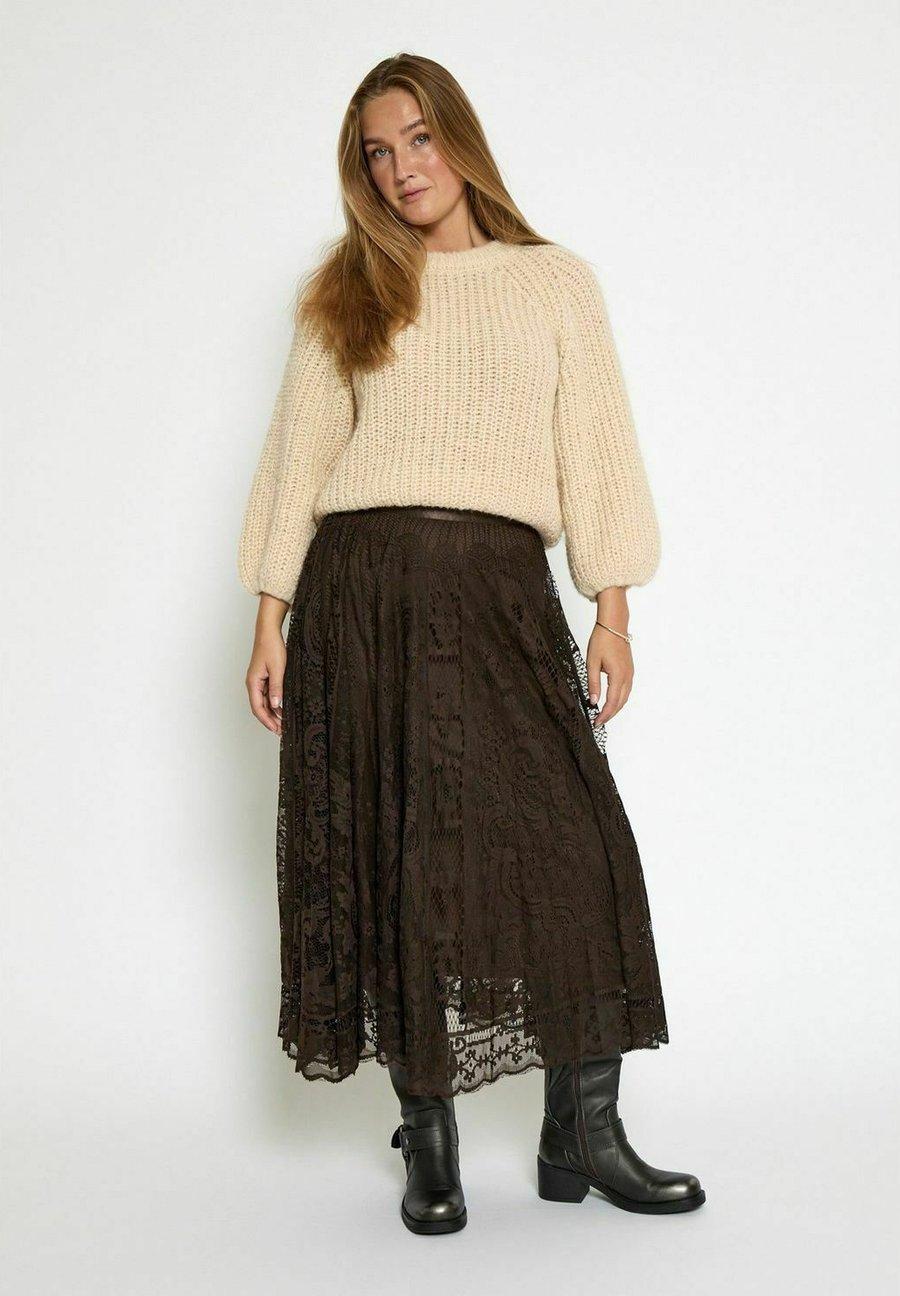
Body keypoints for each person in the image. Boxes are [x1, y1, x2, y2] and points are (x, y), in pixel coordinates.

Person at [237, 52, 706, 1235]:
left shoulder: (553, 282)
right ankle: (430, 1141)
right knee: (401, 857)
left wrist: (612, 608)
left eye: (418, 139)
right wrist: (270, 616)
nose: (402, 169)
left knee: (575, 847)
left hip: (498, 591)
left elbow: (596, 441)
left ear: (459, 137)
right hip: (361, 592)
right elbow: (299, 453)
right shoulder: (349, 288)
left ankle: (581, 1135)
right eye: (377, 154)